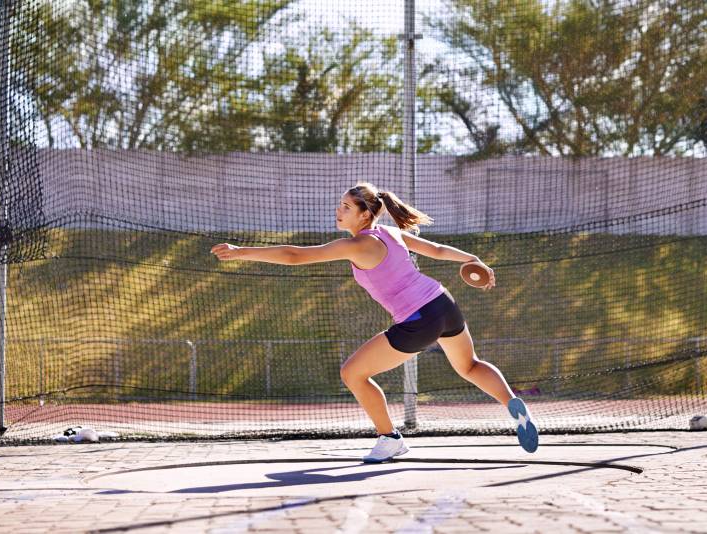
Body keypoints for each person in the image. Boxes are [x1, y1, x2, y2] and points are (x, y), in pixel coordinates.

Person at [211, 182, 538, 462]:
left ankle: (390, 438)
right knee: (469, 365)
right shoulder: (391, 233)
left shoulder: (359, 244)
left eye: (346, 207)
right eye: (340, 205)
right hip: (443, 303)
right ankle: (513, 404)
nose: (338, 211)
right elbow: (438, 251)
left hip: (418, 318)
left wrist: (241, 252)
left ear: (365, 215)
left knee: (353, 373)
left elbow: (295, 256)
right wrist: (472, 258)